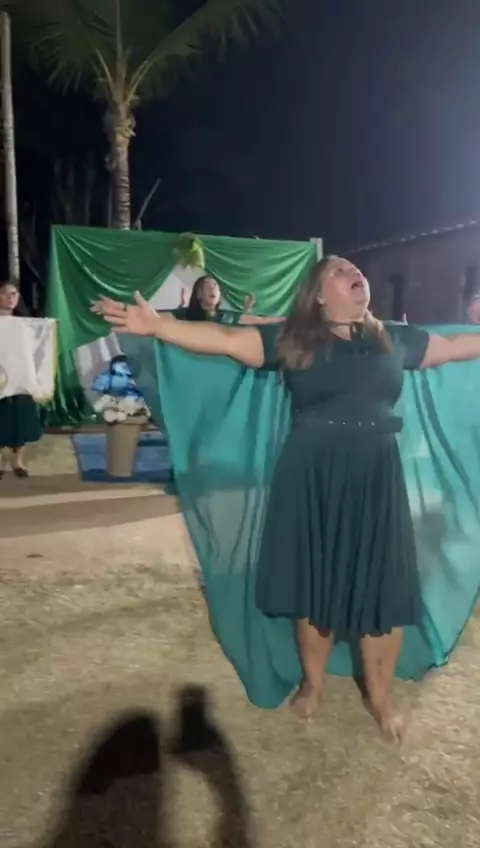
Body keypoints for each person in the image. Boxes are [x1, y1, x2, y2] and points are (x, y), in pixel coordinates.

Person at [92, 256, 480, 742]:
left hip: (376, 479)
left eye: (355, 269)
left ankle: (380, 698)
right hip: (311, 475)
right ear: (318, 295)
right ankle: (312, 684)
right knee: (315, 587)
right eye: (338, 271)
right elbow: (226, 339)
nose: (354, 273)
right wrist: (158, 326)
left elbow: (456, 346)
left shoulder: (393, 339)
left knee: (382, 587)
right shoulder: (296, 339)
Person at [0, 280, 42, 479]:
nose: (11, 298)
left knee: (21, 421)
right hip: (1, 381)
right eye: (7, 294)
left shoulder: (25, 324)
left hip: (21, 380)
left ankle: (18, 461)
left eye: (15, 294)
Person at [174, 274, 280, 325]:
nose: (212, 289)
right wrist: (183, 305)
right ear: (198, 294)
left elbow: (262, 320)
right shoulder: (186, 316)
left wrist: (247, 309)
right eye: (206, 285)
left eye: (215, 285)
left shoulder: (227, 317)